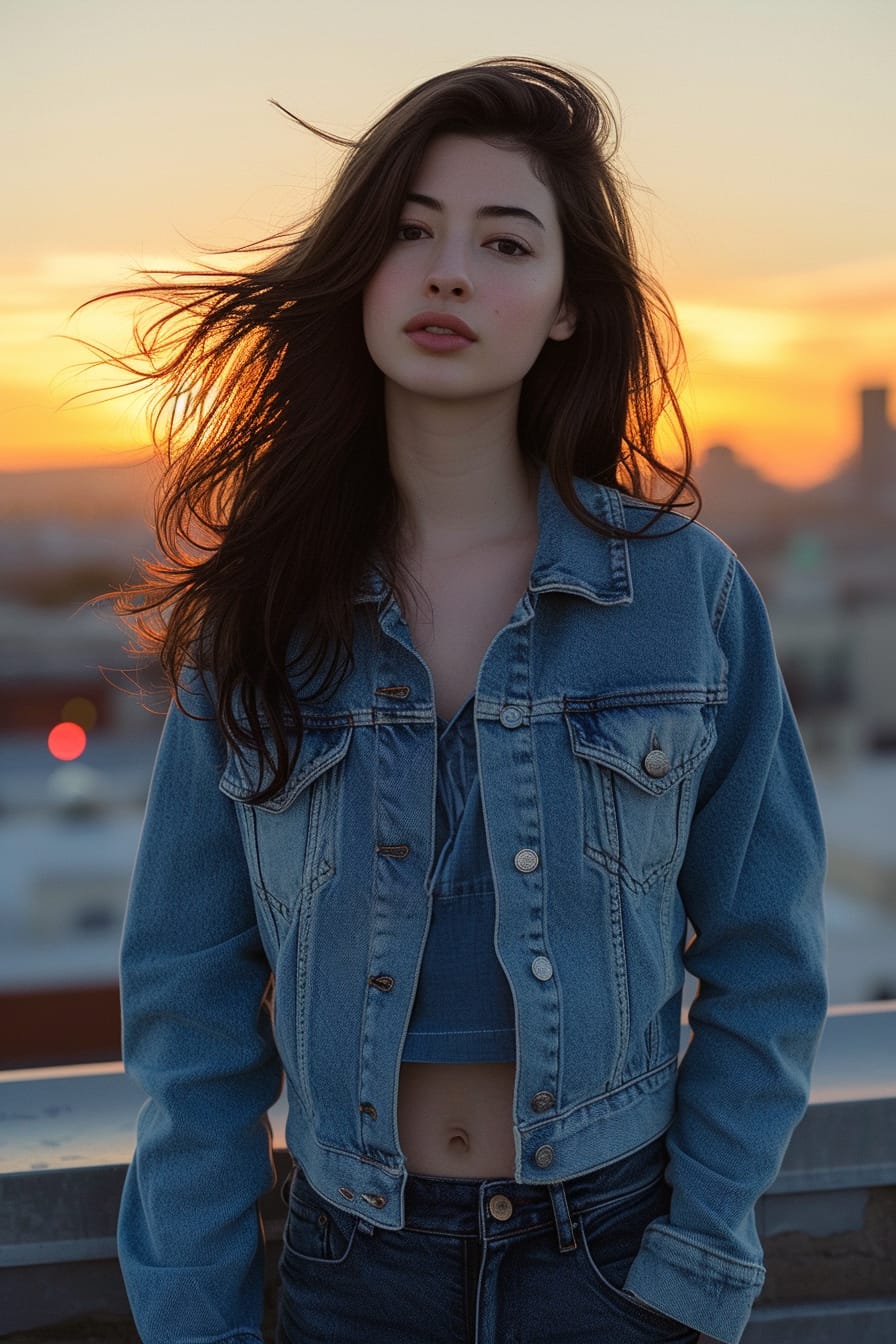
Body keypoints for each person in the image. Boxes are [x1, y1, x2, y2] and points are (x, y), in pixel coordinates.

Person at [88, 56, 827, 1344]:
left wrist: (695, 1259)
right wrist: (195, 1318)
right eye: (411, 233)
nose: (447, 272)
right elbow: (189, 1008)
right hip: (349, 1267)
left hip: (614, 1259)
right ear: (361, 277)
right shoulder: (263, 611)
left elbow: (769, 960)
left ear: (561, 308)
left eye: (504, 241)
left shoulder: (681, 594)